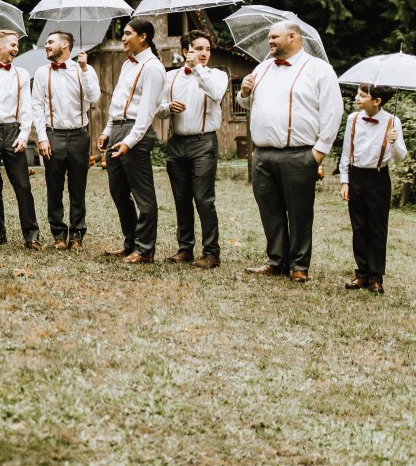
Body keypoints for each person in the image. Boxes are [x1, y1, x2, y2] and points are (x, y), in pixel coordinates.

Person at [239, 21, 343, 282]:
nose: (270, 42)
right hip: (262, 154)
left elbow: (333, 112)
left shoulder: (319, 70)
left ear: (293, 37)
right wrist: (244, 91)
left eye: (275, 37)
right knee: (269, 210)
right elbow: (247, 102)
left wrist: (318, 153)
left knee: (299, 213)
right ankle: (276, 260)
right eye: (269, 38)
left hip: (299, 154)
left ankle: (299, 266)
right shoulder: (261, 68)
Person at [155, 30, 228, 268]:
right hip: (176, 143)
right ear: (185, 51)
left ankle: (211, 253)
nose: (204, 53)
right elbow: (157, 108)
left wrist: (197, 68)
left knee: (204, 199)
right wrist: (168, 107)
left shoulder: (217, 75)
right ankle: (185, 248)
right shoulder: (171, 77)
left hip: (203, 143)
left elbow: (216, 94)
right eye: (198, 48)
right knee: (181, 198)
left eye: (207, 48)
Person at [97, 18, 166, 264]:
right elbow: (118, 103)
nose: (123, 38)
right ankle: (130, 243)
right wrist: (107, 130)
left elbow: (147, 112)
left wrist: (130, 141)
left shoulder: (153, 67)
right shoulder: (128, 65)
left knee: (142, 194)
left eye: (127, 34)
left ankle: (145, 249)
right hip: (117, 128)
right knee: (118, 190)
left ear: (143, 37)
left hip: (135, 133)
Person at [32, 30, 100, 250]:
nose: (47, 45)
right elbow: (37, 107)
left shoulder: (85, 70)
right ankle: (59, 235)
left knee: (77, 187)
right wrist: (42, 138)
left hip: (80, 135)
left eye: (51, 42)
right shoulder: (42, 73)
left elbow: (94, 97)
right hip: (53, 135)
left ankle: (77, 235)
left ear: (65, 44)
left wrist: (83, 70)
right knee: (54, 187)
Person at [0, 30, 42, 250]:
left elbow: (26, 107)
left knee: (22, 184)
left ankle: (31, 236)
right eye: (12, 44)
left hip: (13, 131)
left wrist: (24, 135)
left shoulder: (21, 74)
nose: (16, 48)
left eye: (17, 45)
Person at [339, 83, 407, 294]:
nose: (357, 99)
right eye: (358, 95)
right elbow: (345, 151)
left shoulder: (392, 121)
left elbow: (401, 156)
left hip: (378, 178)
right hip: (356, 175)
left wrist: (394, 142)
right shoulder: (353, 119)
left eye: (362, 96)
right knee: (359, 226)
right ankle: (361, 274)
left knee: (377, 227)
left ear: (377, 101)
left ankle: (376, 277)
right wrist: (344, 180)